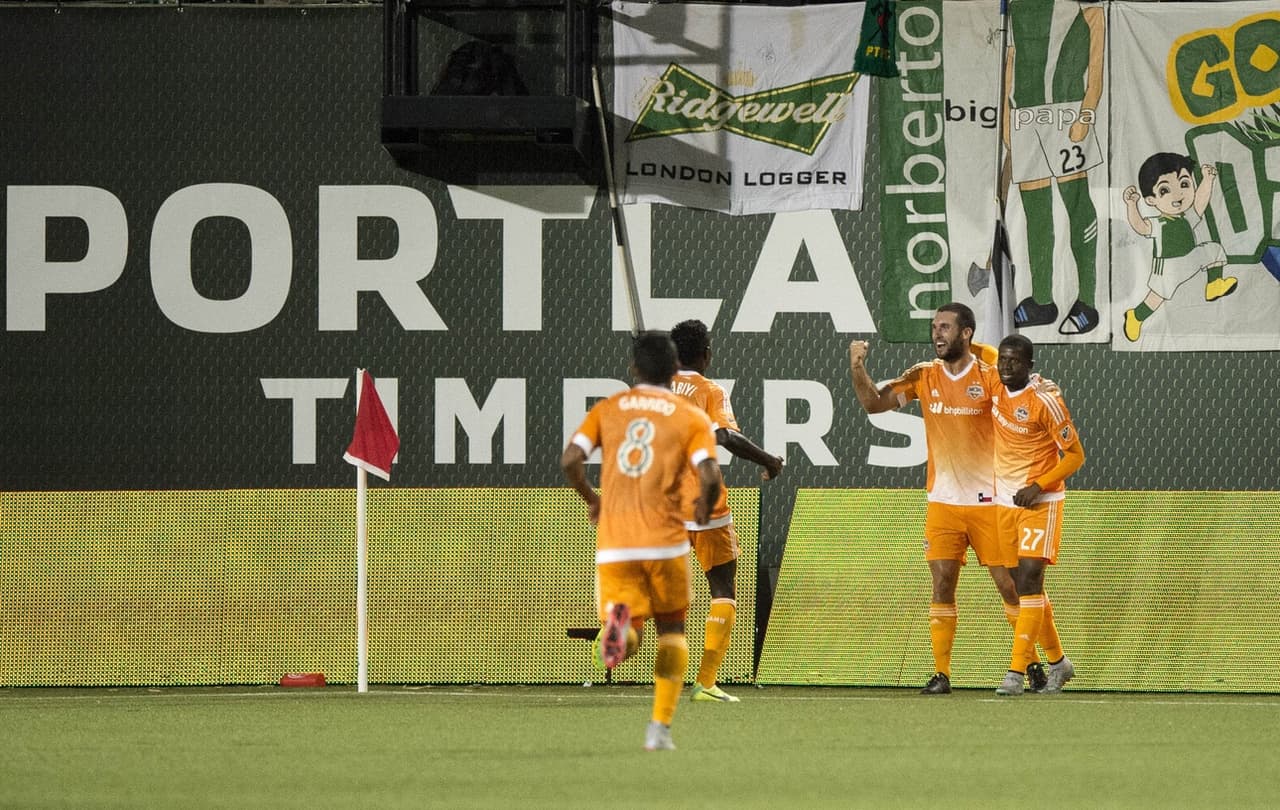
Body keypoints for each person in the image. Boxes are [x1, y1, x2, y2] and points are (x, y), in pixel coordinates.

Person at [849, 302, 1034, 695]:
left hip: (990, 501)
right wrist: (857, 368)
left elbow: (1023, 393)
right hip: (943, 503)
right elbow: (873, 404)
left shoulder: (989, 377)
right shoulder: (923, 376)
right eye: (935, 327)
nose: (937, 334)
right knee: (942, 582)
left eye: (946, 327)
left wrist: (985, 349)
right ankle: (942, 674)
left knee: (1009, 585)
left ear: (966, 333)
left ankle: (1029, 663)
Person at [561, 331, 723, 751]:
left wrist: (592, 499)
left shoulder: (608, 409)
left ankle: (618, 634)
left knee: (628, 625)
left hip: (616, 541)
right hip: (666, 541)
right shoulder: (689, 416)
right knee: (672, 631)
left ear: (633, 370)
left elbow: (570, 460)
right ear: (674, 371)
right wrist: (703, 508)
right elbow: (709, 474)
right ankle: (659, 729)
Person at [669, 319, 785, 703]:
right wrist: (768, 459)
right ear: (706, 355)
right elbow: (724, 436)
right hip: (703, 499)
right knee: (723, 588)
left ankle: (618, 621)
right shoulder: (708, 389)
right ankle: (705, 682)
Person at [990, 334, 1084, 695]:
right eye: (1002, 360)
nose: (1006, 366)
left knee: (1029, 580)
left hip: (1040, 503)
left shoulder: (1047, 400)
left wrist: (1039, 485)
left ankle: (1015, 674)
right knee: (1021, 587)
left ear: (1029, 365)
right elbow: (981, 355)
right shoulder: (994, 384)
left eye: (1014, 361)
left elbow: (1075, 456)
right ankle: (1060, 663)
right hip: (1004, 502)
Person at [1005, 0, 1105, 335]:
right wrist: (1006, 117)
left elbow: (1095, 70)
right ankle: (1043, 301)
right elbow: (1010, 59)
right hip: (1026, 117)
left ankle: (1088, 301)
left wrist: (1086, 114)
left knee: (1076, 202)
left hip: (1065, 114)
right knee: (1036, 212)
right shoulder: (1018, 9)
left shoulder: (1089, 10)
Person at [1121, 153, 1235, 342]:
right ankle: (1135, 316)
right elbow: (1140, 227)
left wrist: (1208, 180)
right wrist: (1131, 204)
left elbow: (1200, 202)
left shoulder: (1187, 217)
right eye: (1165, 190)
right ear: (1151, 200)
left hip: (1191, 256)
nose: (1178, 195)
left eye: (1184, 184)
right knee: (1156, 298)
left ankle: (1214, 285)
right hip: (1168, 269)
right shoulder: (1158, 223)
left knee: (1214, 250)